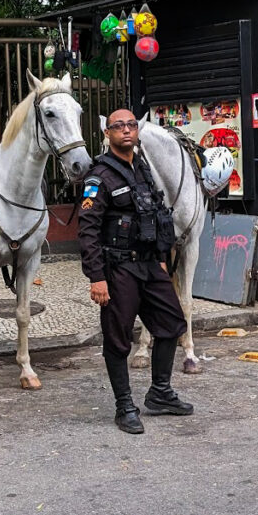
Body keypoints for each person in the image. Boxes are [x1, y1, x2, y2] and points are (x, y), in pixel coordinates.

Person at [77, 109, 194, 434]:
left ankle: (160, 392)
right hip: (118, 269)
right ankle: (124, 405)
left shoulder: (141, 170)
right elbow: (87, 230)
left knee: (171, 323)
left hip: (148, 264)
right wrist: (96, 277)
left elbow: (154, 216)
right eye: (119, 126)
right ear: (107, 133)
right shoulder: (98, 177)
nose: (126, 131)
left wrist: (159, 258)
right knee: (118, 339)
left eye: (131, 125)